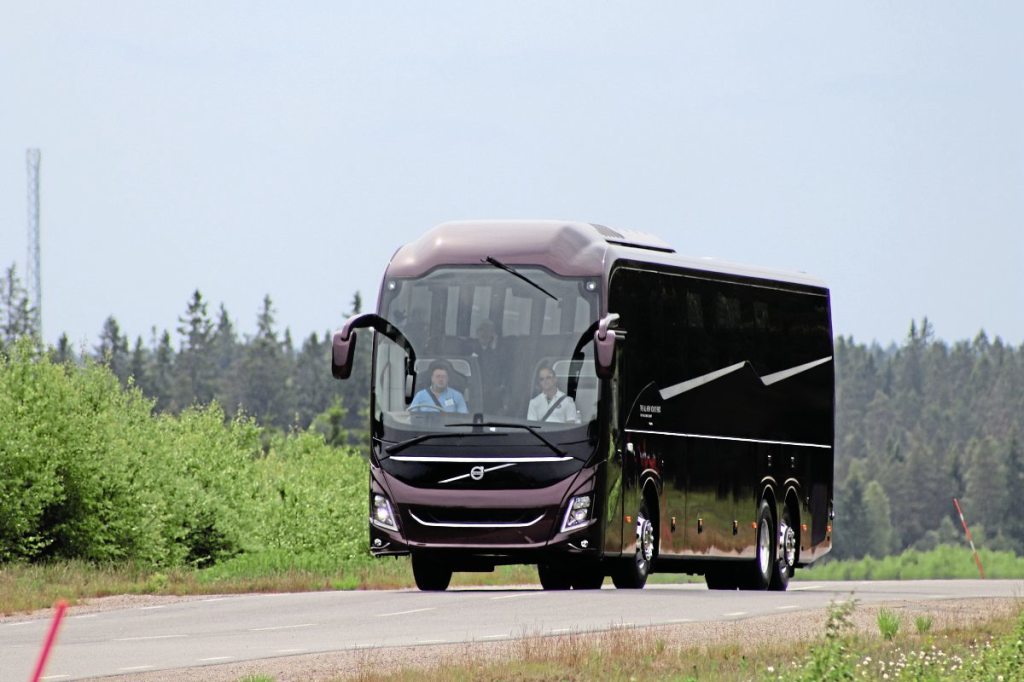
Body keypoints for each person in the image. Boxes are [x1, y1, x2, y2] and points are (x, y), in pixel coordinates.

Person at [468, 319, 509, 413]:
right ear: (477, 334)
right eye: (481, 331)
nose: (484, 335)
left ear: (492, 336)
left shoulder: (499, 353)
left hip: (492, 392)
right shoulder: (470, 349)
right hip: (475, 390)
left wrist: (494, 349)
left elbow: (495, 372)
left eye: (488, 332)